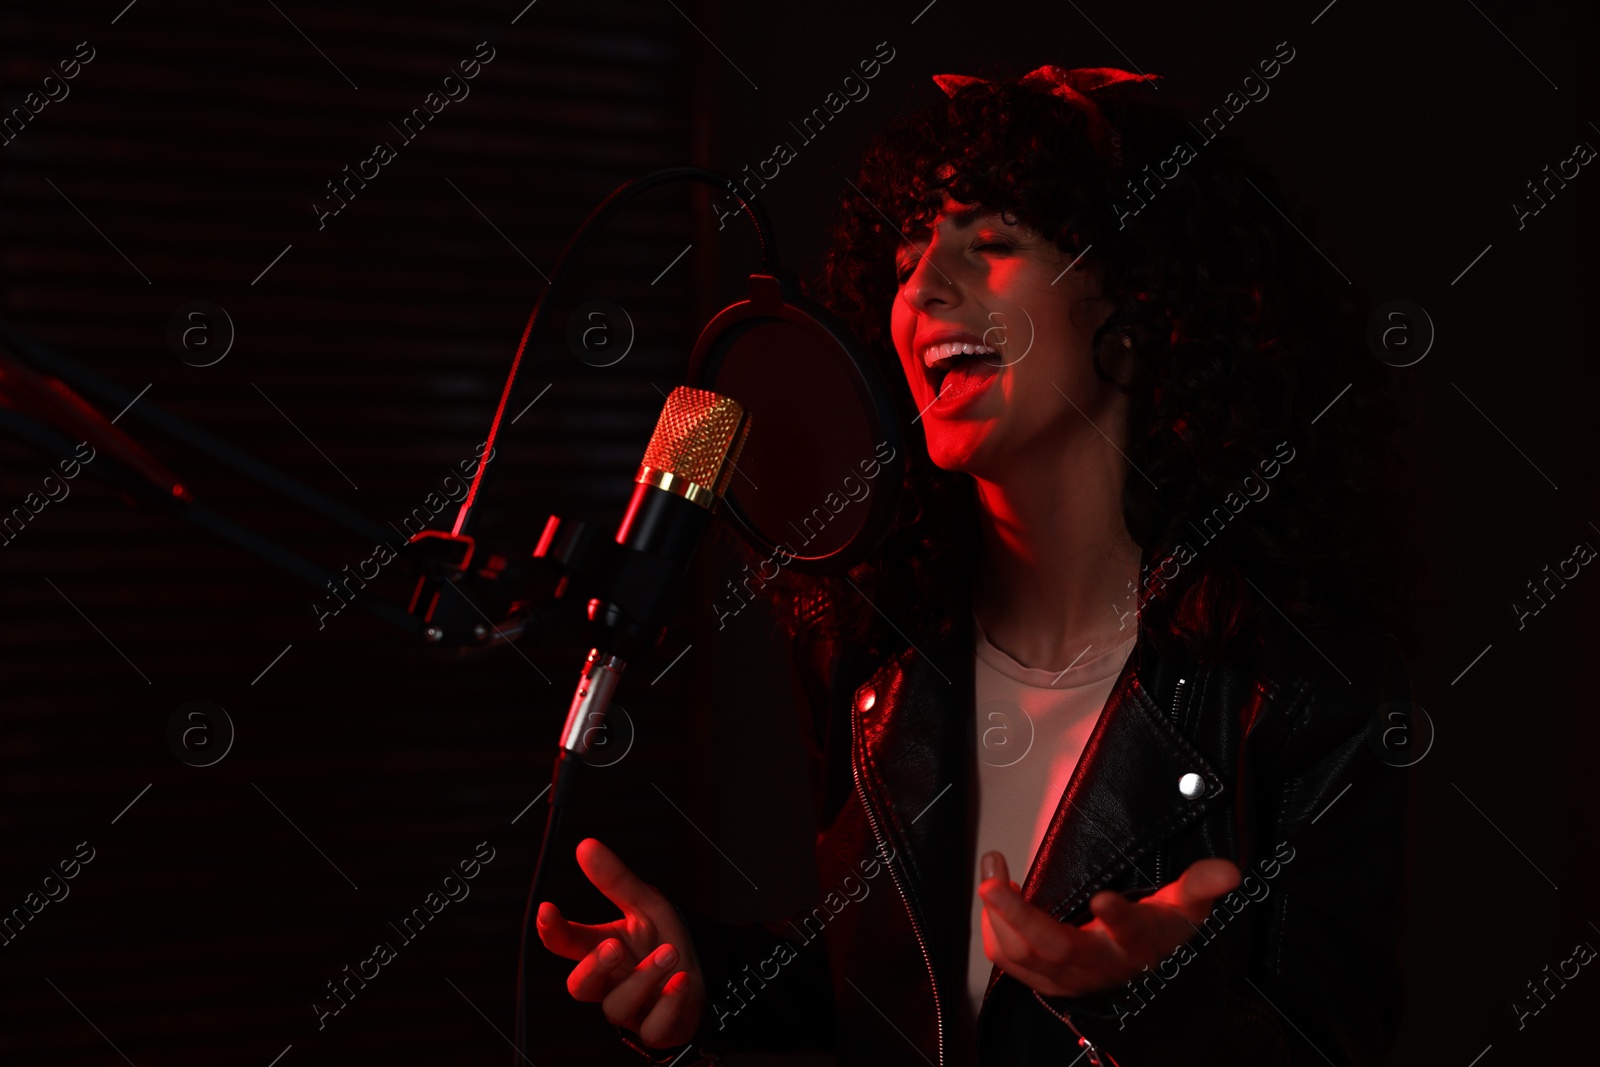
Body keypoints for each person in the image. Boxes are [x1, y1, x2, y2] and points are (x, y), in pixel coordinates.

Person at [536, 63, 1419, 1065]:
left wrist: (1152, 1005)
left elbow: (1324, 1039)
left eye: (989, 243)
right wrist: (711, 979)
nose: (922, 292)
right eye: (908, 258)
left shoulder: (1305, 678)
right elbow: (877, 990)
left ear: (1136, 303)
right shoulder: (873, 646)